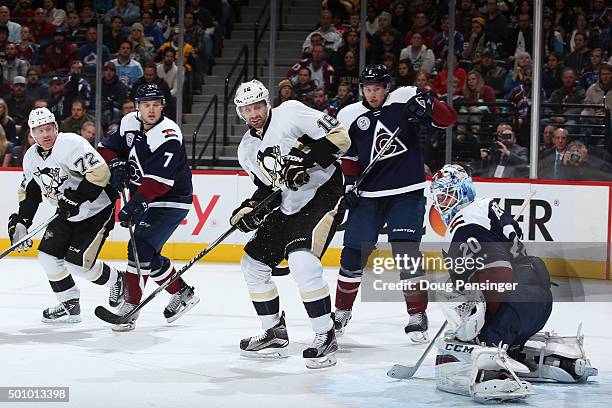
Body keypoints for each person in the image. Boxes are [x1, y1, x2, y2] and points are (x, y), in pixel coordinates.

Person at [429, 165, 595, 403]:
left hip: (510, 305)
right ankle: (520, 351)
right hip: (539, 303)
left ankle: (491, 361)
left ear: (464, 191)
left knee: (451, 297)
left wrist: (468, 334)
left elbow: (489, 277)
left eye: (448, 193)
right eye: (439, 196)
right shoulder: (488, 206)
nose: (442, 201)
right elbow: (512, 245)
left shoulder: (461, 224)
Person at [231, 78, 350, 369]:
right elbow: (267, 189)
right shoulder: (246, 149)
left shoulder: (291, 112)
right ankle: (274, 332)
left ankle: (325, 334)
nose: (254, 113)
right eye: (247, 109)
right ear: (241, 113)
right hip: (290, 205)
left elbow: (341, 138)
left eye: (258, 105)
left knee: (301, 260)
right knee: (252, 264)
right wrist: (250, 210)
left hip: (324, 194)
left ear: (267, 103)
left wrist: (304, 159)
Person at [332, 64, 457, 342]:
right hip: (369, 195)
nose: (372, 94)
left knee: (406, 252)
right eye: (367, 88)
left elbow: (448, 119)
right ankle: (341, 311)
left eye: (377, 88)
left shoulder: (406, 97)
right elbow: (349, 157)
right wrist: (349, 185)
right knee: (353, 253)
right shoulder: (349, 114)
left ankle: (416, 313)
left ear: (386, 86)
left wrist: (430, 103)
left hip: (406, 191)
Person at [97, 84, 199, 331]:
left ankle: (130, 307)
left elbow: (159, 182)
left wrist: (135, 203)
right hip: (146, 198)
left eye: (156, 104)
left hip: (170, 200)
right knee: (145, 253)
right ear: (137, 106)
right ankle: (182, 292)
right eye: (146, 105)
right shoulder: (128, 123)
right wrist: (117, 162)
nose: (151, 110)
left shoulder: (169, 135)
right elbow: (105, 148)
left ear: (163, 106)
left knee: (139, 249)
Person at [7, 107, 124, 323]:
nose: (45, 135)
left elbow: (101, 172)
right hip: (66, 212)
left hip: (96, 209)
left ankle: (117, 280)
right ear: (32, 134)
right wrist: (23, 221)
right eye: (39, 131)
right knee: (47, 256)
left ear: (56, 128)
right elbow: (31, 192)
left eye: (48, 129)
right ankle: (69, 302)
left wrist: (77, 197)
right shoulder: (31, 157)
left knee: (77, 264)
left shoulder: (71, 144)